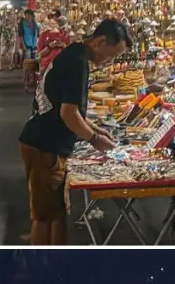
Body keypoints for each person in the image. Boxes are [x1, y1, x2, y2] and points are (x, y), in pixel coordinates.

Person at [18, 18, 131, 245]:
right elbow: (68, 114)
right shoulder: (77, 62)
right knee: (44, 218)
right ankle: (40, 263)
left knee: (56, 213)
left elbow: (70, 108)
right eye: (112, 55)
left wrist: (95, 128)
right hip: (45, 145)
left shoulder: (73, 54)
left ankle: (56, 257)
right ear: (100, 41)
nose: (109, 62)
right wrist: (95, 140)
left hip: (44, 143)